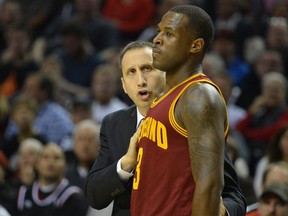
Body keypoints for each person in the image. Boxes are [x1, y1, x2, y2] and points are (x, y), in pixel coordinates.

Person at [85, 41, 246, 215]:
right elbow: (95, 196)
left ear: (165, 74)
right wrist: (125, 165)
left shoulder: (191, 117)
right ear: (123, 85)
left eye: (147, 68)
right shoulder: (113, 124)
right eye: (131, 72)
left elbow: (234, 196)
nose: (140, 81)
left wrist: (221, 211)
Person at [129, 5, 239, 215]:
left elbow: (209, 187)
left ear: (195, 45)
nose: (157, 39)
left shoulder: (198, 96)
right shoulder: (164, 96)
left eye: (169, 33)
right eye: (159, 30)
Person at [13, 143, 89, 216]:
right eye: (45, 157)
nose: (50, 162)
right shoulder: (24, 193)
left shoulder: (73, 196)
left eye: (56, 158)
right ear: (37, 163)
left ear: (65, 165)